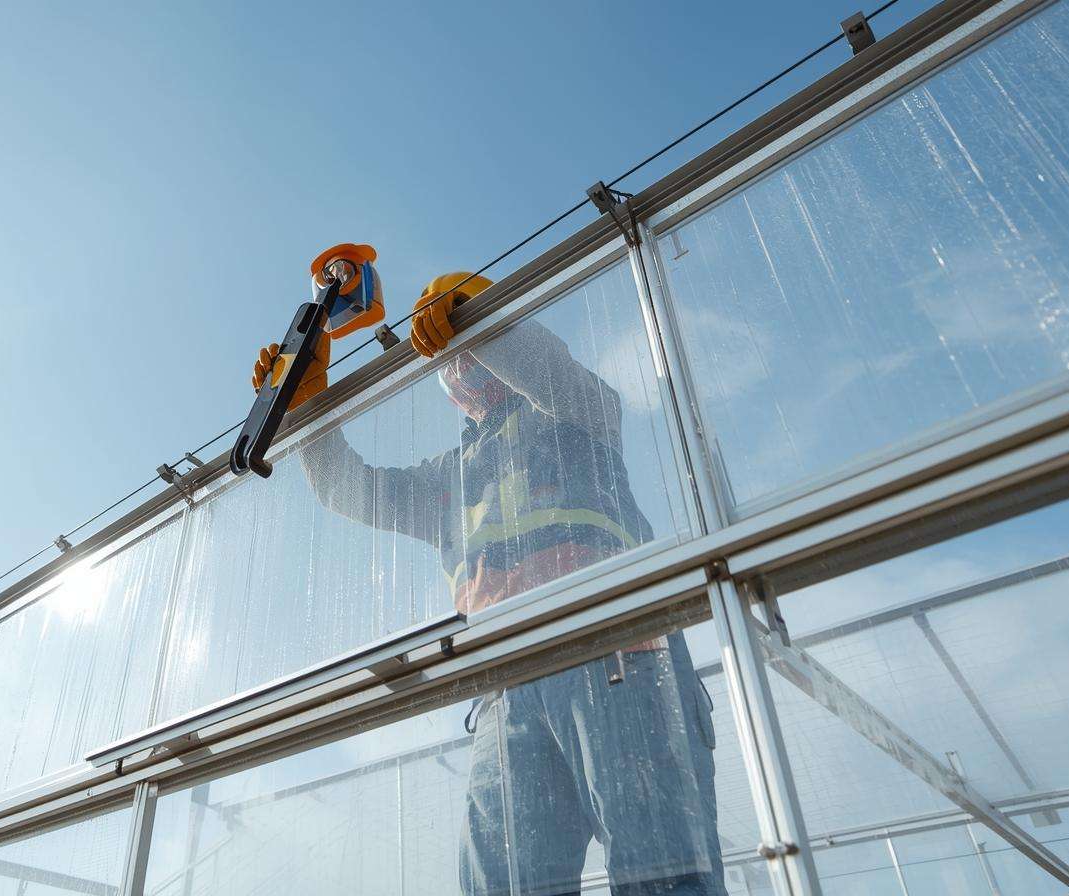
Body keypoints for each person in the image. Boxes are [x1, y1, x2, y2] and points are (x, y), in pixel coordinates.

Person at [251, 272, 725, 895]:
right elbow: (354, 490)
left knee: (663, 873)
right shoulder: (450, 476)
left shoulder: (578, 415)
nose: (462, 366)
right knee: (505, 886)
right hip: (507, 690)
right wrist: (307, 409)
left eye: (469, 348)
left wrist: (484, 318)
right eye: (454, 355)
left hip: (619, 651)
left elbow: (548, 373)